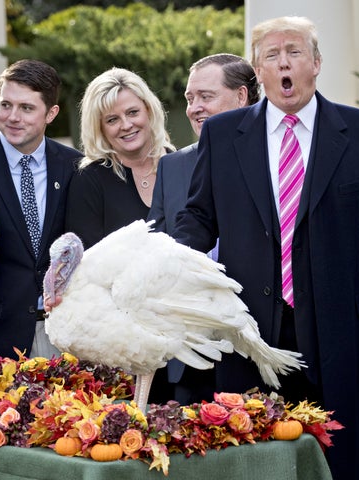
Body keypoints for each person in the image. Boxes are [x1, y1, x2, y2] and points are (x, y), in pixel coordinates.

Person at [171, 16, 359, 480]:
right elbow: (199, 218)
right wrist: (163, 265)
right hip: (251, 334)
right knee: (254, 461)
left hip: (342, 334)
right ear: (257, 72)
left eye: (294, 52)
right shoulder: (223, 135)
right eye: (271, 56)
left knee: (340, 461)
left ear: (316, 63)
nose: (284, 63)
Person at [147, 53, 259, 405]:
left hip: (256, 346)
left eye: (205, 96)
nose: (194, 107)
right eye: (189, 99)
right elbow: (159, 252)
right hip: (189, 356)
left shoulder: (273, 160)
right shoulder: (172, 167)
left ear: (241, 97)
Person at [0, 59, 82, 360]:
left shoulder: (76, 167)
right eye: (6, 105)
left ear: (51, 113)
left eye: (26, 108)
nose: (12, 117)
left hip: (67, 335)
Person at [64, 67, 175, 249]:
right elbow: (87, 263)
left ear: (148, 110)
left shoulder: (180, 166)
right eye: (112, 120)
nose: (126, 125)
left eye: (132, 112)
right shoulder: (89, 181)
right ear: (99, 128)